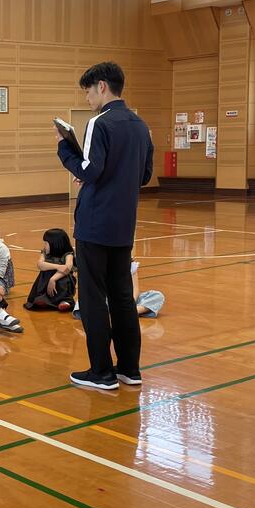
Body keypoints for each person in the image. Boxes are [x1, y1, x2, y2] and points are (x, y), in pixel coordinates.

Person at [56, 61, 154, 390]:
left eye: (87, 91)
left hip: (95, 224)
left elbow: (90, 170)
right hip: (124, 224)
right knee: (123, 297)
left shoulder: (99, 123)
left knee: (93, 298)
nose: (87, 99)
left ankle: (101, 371)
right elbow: (143, 175)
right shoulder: (141, 125)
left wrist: (63, 147)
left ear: (101, 86)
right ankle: (129, 369)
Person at [73, 260, 165, 320]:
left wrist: (130, 305)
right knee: (82, 301)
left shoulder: (131, 265)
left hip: (126, 301)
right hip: (105, 301)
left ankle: (129, 313)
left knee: (157, 296)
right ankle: (121, 314)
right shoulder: (100, 264)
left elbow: (135, 288)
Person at [24, 229, 76, 312]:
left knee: (63, 279)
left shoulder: (68, 254)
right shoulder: (44, 253)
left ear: (55, 244)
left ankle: (65, 301)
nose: (44, 245)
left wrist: (53, 279)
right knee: (39, 297)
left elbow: (67, 269)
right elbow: (40, 265)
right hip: (45, 283)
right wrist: (58, 267)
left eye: (46, 243)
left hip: (62, 284)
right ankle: (45, 300)